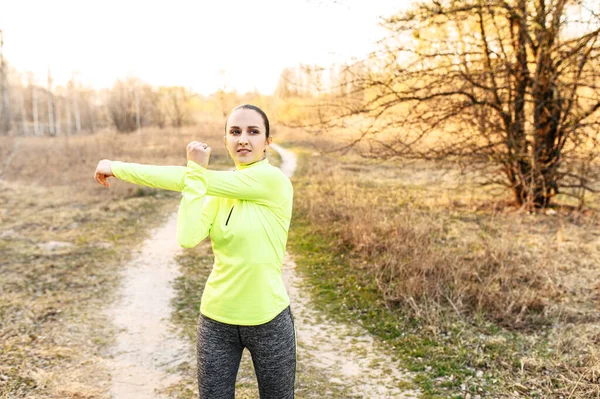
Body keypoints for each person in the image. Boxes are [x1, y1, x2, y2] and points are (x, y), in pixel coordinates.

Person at [94, 104, 296, 399]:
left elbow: (184, 178)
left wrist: (116, 167)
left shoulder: (273, 181)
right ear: (225, 140)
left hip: (269, 321)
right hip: (216, 321)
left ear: (267, 142)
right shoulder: (215, 190)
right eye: (235, 132)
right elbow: (188, 238)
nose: (243, 139)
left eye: (253, 132)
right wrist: (195, 178)